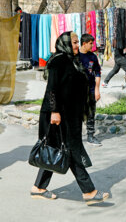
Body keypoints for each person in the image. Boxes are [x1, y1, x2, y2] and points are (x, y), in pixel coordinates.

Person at [30, 32, 109, 205]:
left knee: (56, 147)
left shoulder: (73, 60)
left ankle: (39, 187)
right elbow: (52, 89)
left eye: (77, 42)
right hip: (58, 114)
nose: (76, 45)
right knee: (71, 149)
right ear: (65, 43)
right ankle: (89, 191)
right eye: (74, 42)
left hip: (70, 114)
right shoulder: (59, 60)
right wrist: (55, 111)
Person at [79, 34, 102, 146]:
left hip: (91, 89)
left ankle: (90, 136)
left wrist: (97, 90)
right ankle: (76, 137)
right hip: (78, 91)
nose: (92, 45)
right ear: (84, 43)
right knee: (77, 114)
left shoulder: (93, 57)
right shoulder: (76, 56)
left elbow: (97, 72)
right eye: (90, 43)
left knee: (91, 113)